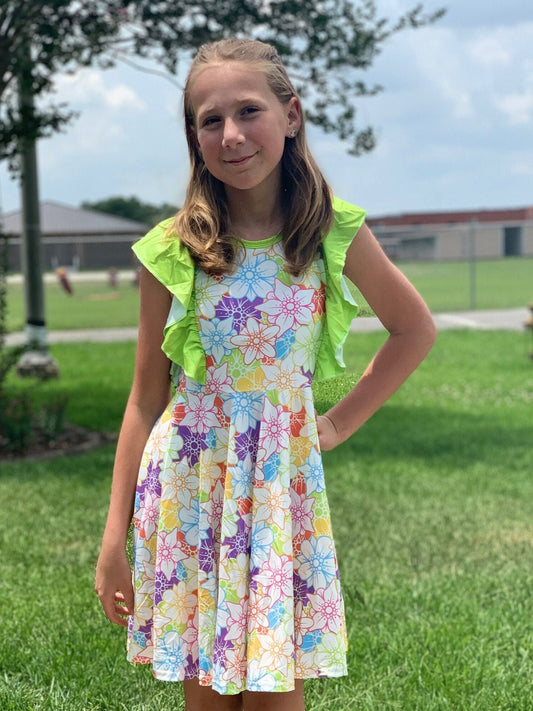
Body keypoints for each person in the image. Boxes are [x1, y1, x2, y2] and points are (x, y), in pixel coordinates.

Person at [95, 38, 436, 711]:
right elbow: (145, 398)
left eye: (248, 110)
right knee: (208, 694)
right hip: (193, 491)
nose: (231, 135)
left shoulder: (330, 229)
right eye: (209, 119)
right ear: (193, 136)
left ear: (290, 114)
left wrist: (336, 422)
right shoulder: (173, 247)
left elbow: (413, 329)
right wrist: (115, 539)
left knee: (275, 691)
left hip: (278, 491)